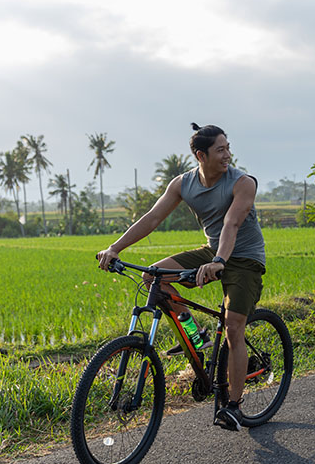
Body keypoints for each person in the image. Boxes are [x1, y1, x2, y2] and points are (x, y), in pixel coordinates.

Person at [96, 123, 266, 430]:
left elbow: (231, 224)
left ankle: (233, 406)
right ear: (201, 155)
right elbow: (152, 218)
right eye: (220, 150)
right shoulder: (183, 183)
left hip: (244, 258)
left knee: (233, 326)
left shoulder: (243, 183)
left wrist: (218, 261)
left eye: (228, 148)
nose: (227, 155)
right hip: (212, 252)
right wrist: (114, 248)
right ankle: (196, 334)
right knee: (154, 277)